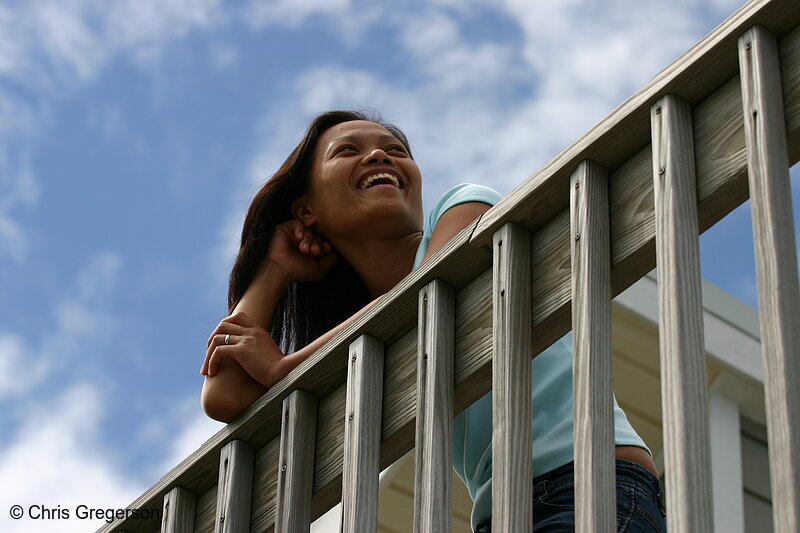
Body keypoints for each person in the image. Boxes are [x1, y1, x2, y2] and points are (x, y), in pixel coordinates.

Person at [200, 110, 667, 532]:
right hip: (500, 512)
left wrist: (285, 368)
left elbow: (423, 296)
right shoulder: (361, 339)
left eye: (395, 149)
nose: (380, 154)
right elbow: (226, 397)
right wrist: (273, 271)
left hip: (589, 483)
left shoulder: (468, 206)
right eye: (348, 150)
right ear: (307, 210)